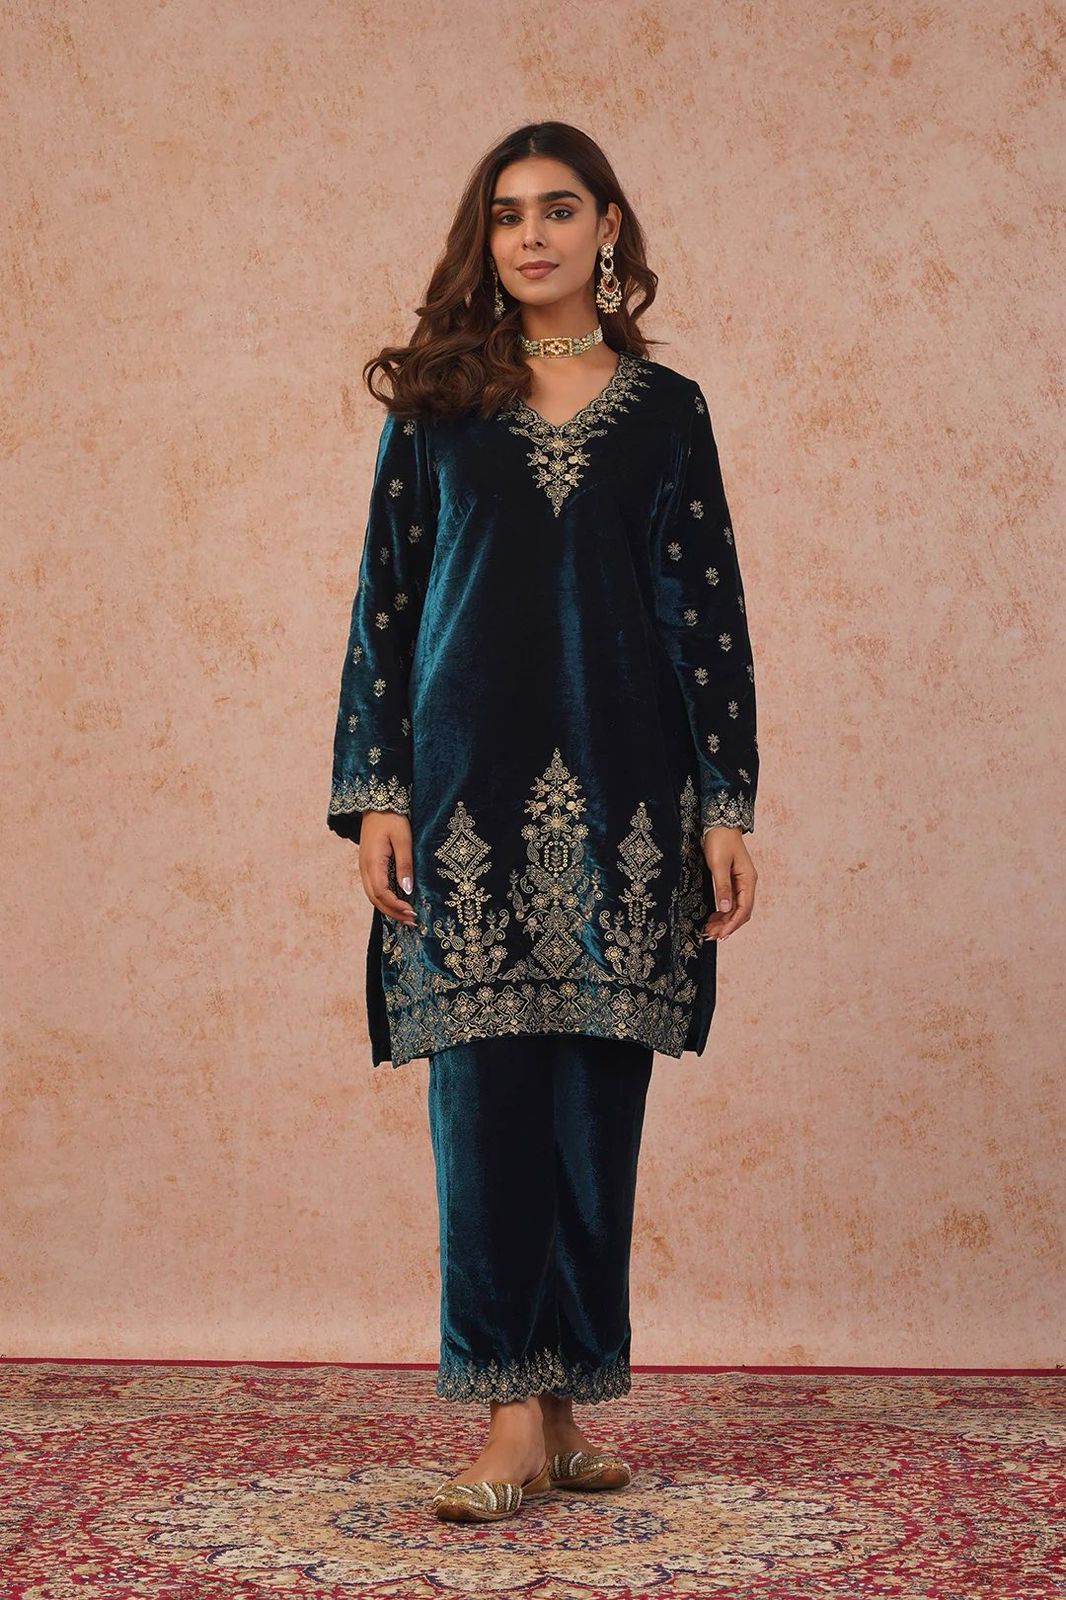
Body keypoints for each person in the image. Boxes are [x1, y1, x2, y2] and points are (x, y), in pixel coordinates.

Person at [326, 122, 760, 1523]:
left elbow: (705, 613)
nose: (530, 236)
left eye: (558, 210)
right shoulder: (438, 406)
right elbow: (387, 604)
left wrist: (724, 803)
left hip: (629, 791)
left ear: (606, 227)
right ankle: (508, 1411)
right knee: (486, 1103)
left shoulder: (668, 410)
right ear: (487, 237)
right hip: (467, 793)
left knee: (594, 1105)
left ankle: (564, 1399)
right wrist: (378, 790)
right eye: (507, 215)